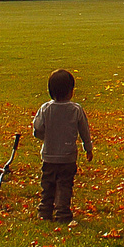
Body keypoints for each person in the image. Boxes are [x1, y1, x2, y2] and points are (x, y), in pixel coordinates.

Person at [32, 68, 94, 224]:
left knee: (47, 184)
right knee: (65, 185)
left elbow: (37, 128)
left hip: (49, 156)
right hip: (68, 157)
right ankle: (63, 213)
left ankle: (45, 211)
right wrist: (88, 148)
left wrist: (45, 137)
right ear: (70, 91)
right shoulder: (75, 110)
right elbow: (84, 131)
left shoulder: (45, 109)